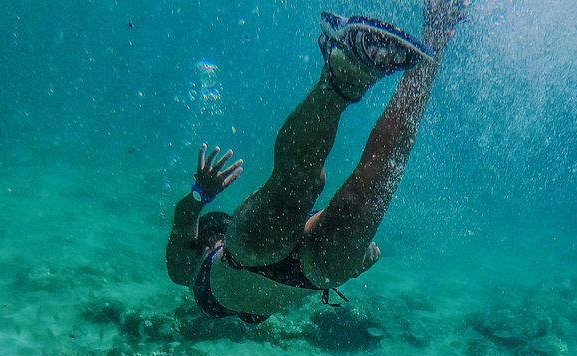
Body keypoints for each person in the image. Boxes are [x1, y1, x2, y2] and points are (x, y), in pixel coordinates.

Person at [165, 3, 470, 325]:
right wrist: (199, 195)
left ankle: (434, 36)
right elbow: (183, 221)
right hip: (261, 255)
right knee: (297, 183)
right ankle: (342, 80)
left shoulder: (190, 272)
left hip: (315, 272)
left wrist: (362, 257)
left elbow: (183, 224)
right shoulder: (189, 268)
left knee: (374, 179)